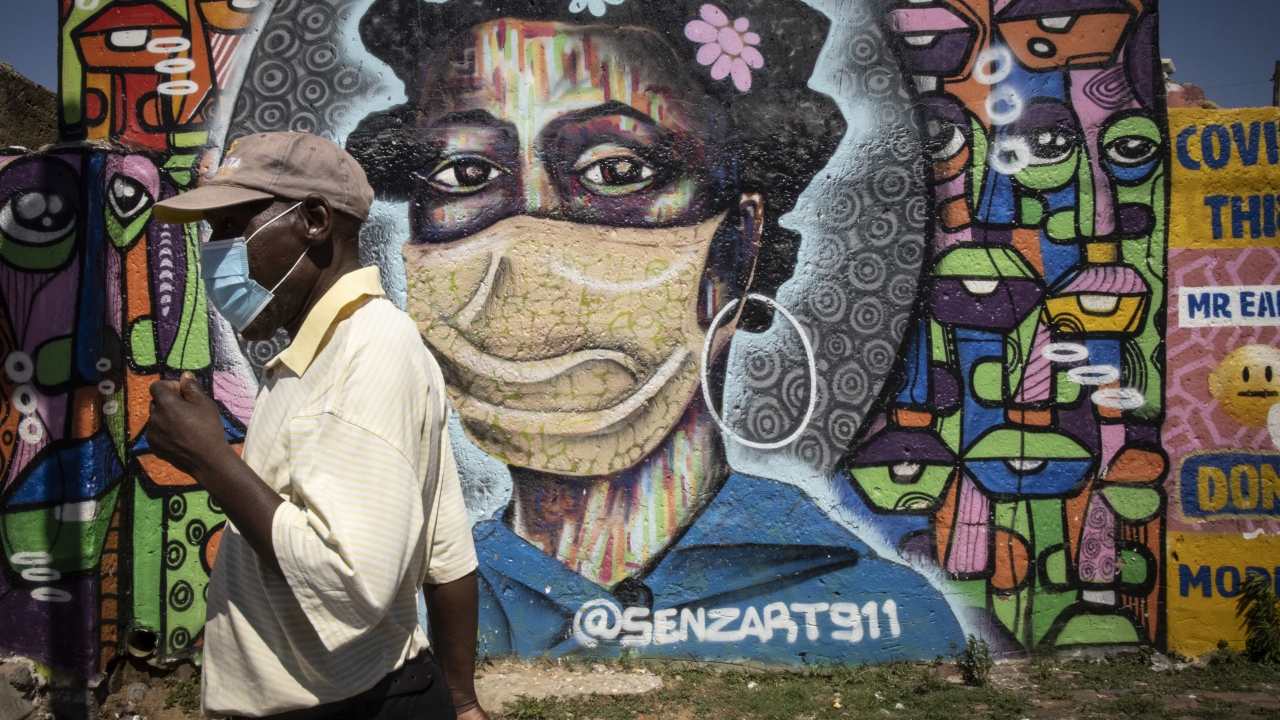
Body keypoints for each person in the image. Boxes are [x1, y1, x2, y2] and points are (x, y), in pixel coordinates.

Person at [347, 0, 966, 662]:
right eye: (465, 174)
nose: (524, 253)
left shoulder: (881, 620)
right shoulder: (414, 617)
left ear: (740, 244)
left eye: (616, 171)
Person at [145, 131, 489, 719]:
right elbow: (446, 545)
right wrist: (462, 704)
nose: (216, 250)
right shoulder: (322, 352)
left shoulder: (369, 350)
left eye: (231, 226)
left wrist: (211, 460)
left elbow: (350, 582)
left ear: (313, 220)